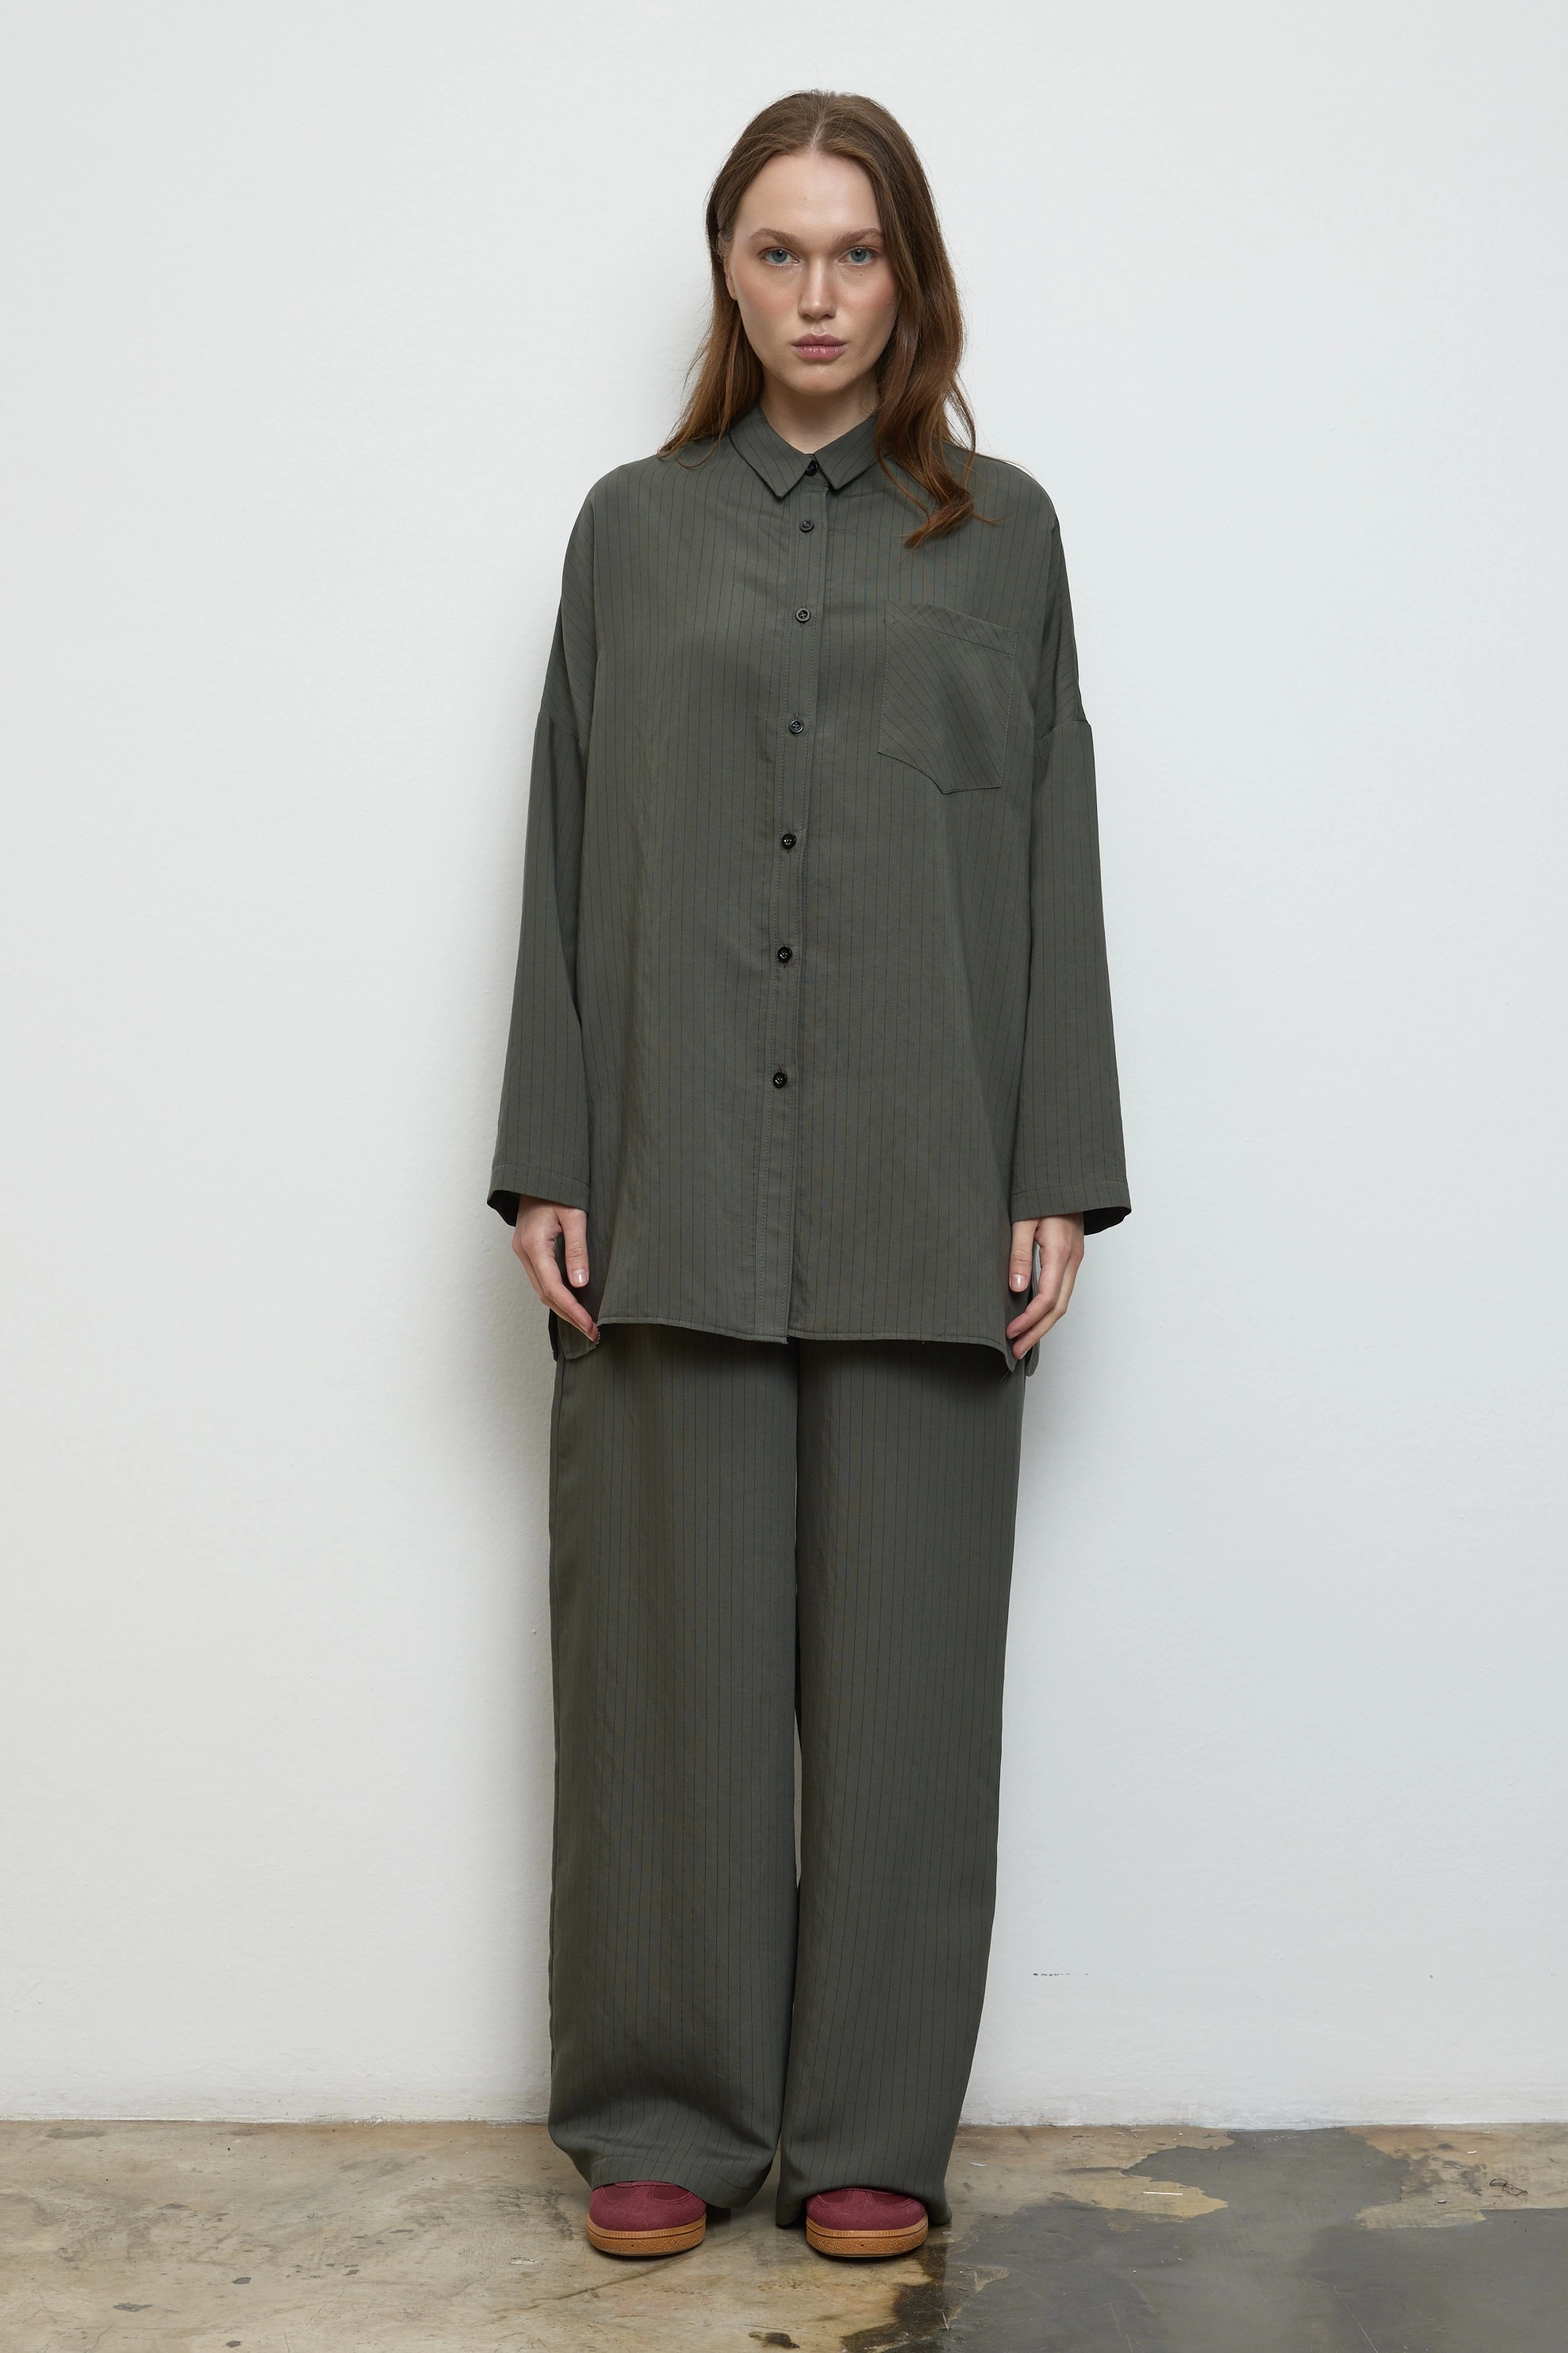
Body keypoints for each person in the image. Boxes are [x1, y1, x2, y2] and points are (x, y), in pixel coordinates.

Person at [489, 88, 1129, 2264]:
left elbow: (1056, 848)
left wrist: (1056, 1163)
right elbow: (566, 837)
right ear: (728, 273)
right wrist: (551, 1149)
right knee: (662, 1674)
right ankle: (665, 2115)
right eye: (779, 251)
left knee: (908, 1671)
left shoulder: (1006, 539)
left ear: (909, 274)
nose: (819, 294)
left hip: (927, 1177)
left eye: (857, 253)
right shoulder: (632, 532)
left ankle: (868, 2124)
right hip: (665, 1171)